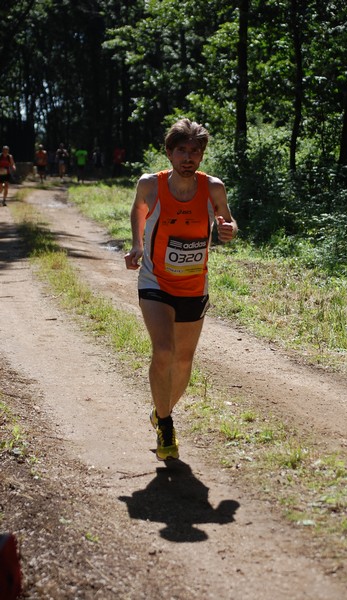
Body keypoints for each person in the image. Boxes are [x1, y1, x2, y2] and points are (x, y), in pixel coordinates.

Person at [124, 118, 238, 461]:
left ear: (201, 155)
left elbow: (228, 220)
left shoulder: (213, 188)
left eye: (195, 151)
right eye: (182, 151)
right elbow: (139, 209)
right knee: (163, 350)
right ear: (170, 153)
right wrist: (136, 244)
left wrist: (229, 229)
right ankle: (168, 424)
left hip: (194, 283)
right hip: (156, 280)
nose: (188, 157)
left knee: (184, 360)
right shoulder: (150, 185)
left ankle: (160, 413)